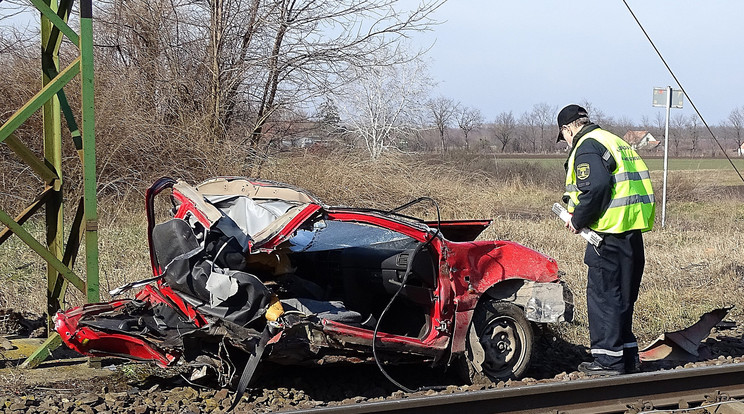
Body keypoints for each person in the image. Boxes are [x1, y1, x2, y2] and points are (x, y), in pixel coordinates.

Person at [556, 104, 655, 376]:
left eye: (563, 135)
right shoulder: (615, 141)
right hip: (631, 232)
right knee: (623, 297)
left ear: (568, 128)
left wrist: (577, 219)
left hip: (607, 235)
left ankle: (607, 361)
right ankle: (627, 357)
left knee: (603, 296)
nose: (565, 141)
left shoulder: (587, 146)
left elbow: (596, 187)